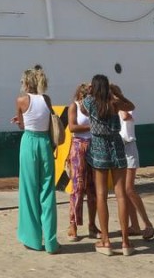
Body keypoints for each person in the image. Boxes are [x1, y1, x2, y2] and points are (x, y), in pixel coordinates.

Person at [82, 74, 134, 254]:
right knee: (120, 195)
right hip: (116, 145)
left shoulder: (90, 103)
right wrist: (118, 94)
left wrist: (89, 91)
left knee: (101, 195)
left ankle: (106, 241)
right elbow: (132, 106)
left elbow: (81, 109)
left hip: (99, 146)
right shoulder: (115, 103)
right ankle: (126, 242)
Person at [11, 65, 59, 254]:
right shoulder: (46, 99)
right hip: (45, 143)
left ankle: (32, 239)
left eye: (22, 81)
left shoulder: (21, 100)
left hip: (29, 142)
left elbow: (23, 126)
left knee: (29, 191)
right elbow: (47, 121)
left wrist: (18, 121)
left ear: (26, 82)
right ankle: (51, 242)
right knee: (47, 192)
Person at [119, 92, 154, 242]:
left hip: (129, 148)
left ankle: (148, 224)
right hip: (119, 149)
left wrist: (117, 105)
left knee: (129, 189)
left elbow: (127, 117)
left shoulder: (125, 108)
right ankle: (134, 225)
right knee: (124, 190)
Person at [65, 82, 97, 240]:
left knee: (93, 188)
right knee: (77, 186)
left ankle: (92, 225)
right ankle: (73, 223)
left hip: (94, 146)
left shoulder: (95, 107)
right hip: (78, 146)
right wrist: (92, 127)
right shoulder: (74, 107)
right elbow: (72, 127)